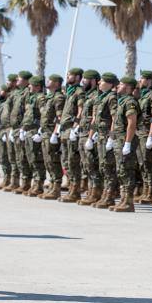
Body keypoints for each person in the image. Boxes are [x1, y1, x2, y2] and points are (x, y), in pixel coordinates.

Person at [86, 72, 119, 209]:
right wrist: (90, 137)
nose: (99, 83)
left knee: (108, 167)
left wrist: (111, 137)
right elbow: (94, 120)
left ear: (110, 84)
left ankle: (109, 196)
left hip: (106, 136)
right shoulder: (100, 98)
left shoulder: (112, 98)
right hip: (99, 136)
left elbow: (115, 119)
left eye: (102, 81)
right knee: (102, 166)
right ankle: (103, 195)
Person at [110, 76, 140, 213]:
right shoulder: (121, 101)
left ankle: (128, 202)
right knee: (121, 171)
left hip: (124, 140)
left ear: (127, 87)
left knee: (127, 171)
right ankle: (123, 200)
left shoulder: (130, 102)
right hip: (119, 140)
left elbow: (132, 123)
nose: (118, 86)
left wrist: (127, 143)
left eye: (121, 84)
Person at [77, 70, 103, 206]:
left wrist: (91, 137)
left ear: (92, 81)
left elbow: (95, 118)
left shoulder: (96, 96)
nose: (83, 82)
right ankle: (91, 190)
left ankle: (96, 192)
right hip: (83, 133)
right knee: (86, 164)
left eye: (85, 79)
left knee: (92, 165)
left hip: (89, 134)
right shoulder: (87, 95)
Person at [58, 68, 84, 201]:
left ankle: (75, 190)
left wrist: (75, 127)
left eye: (70, 75)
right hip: (64, 129)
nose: (68, 76)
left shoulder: (79, 91)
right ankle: (70, 187)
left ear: (78, 77)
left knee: (72, 161)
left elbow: (80, 111)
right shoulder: (69, 91)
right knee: (65, 160)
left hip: (71, 130)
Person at [38, 74, 66, 200]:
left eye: (50, 80)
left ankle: (57, 187)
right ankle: (52, 184)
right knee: (47, 160)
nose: (47, 81)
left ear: (56, 83)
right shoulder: (49, 97)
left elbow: (59, 118)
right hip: (45, 132)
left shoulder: (58, 97)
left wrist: (55, 133)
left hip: (51, 133)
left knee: (53, 160)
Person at [135, 70, 152, 204]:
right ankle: (145, 191)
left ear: (149, 80)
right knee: (141, 163)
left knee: (148, 162)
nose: (140, 80)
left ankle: (151, 193)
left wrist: (151, 135)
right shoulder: (141, 95)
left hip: (146, 133)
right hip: (139, 132)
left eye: (142, 78)